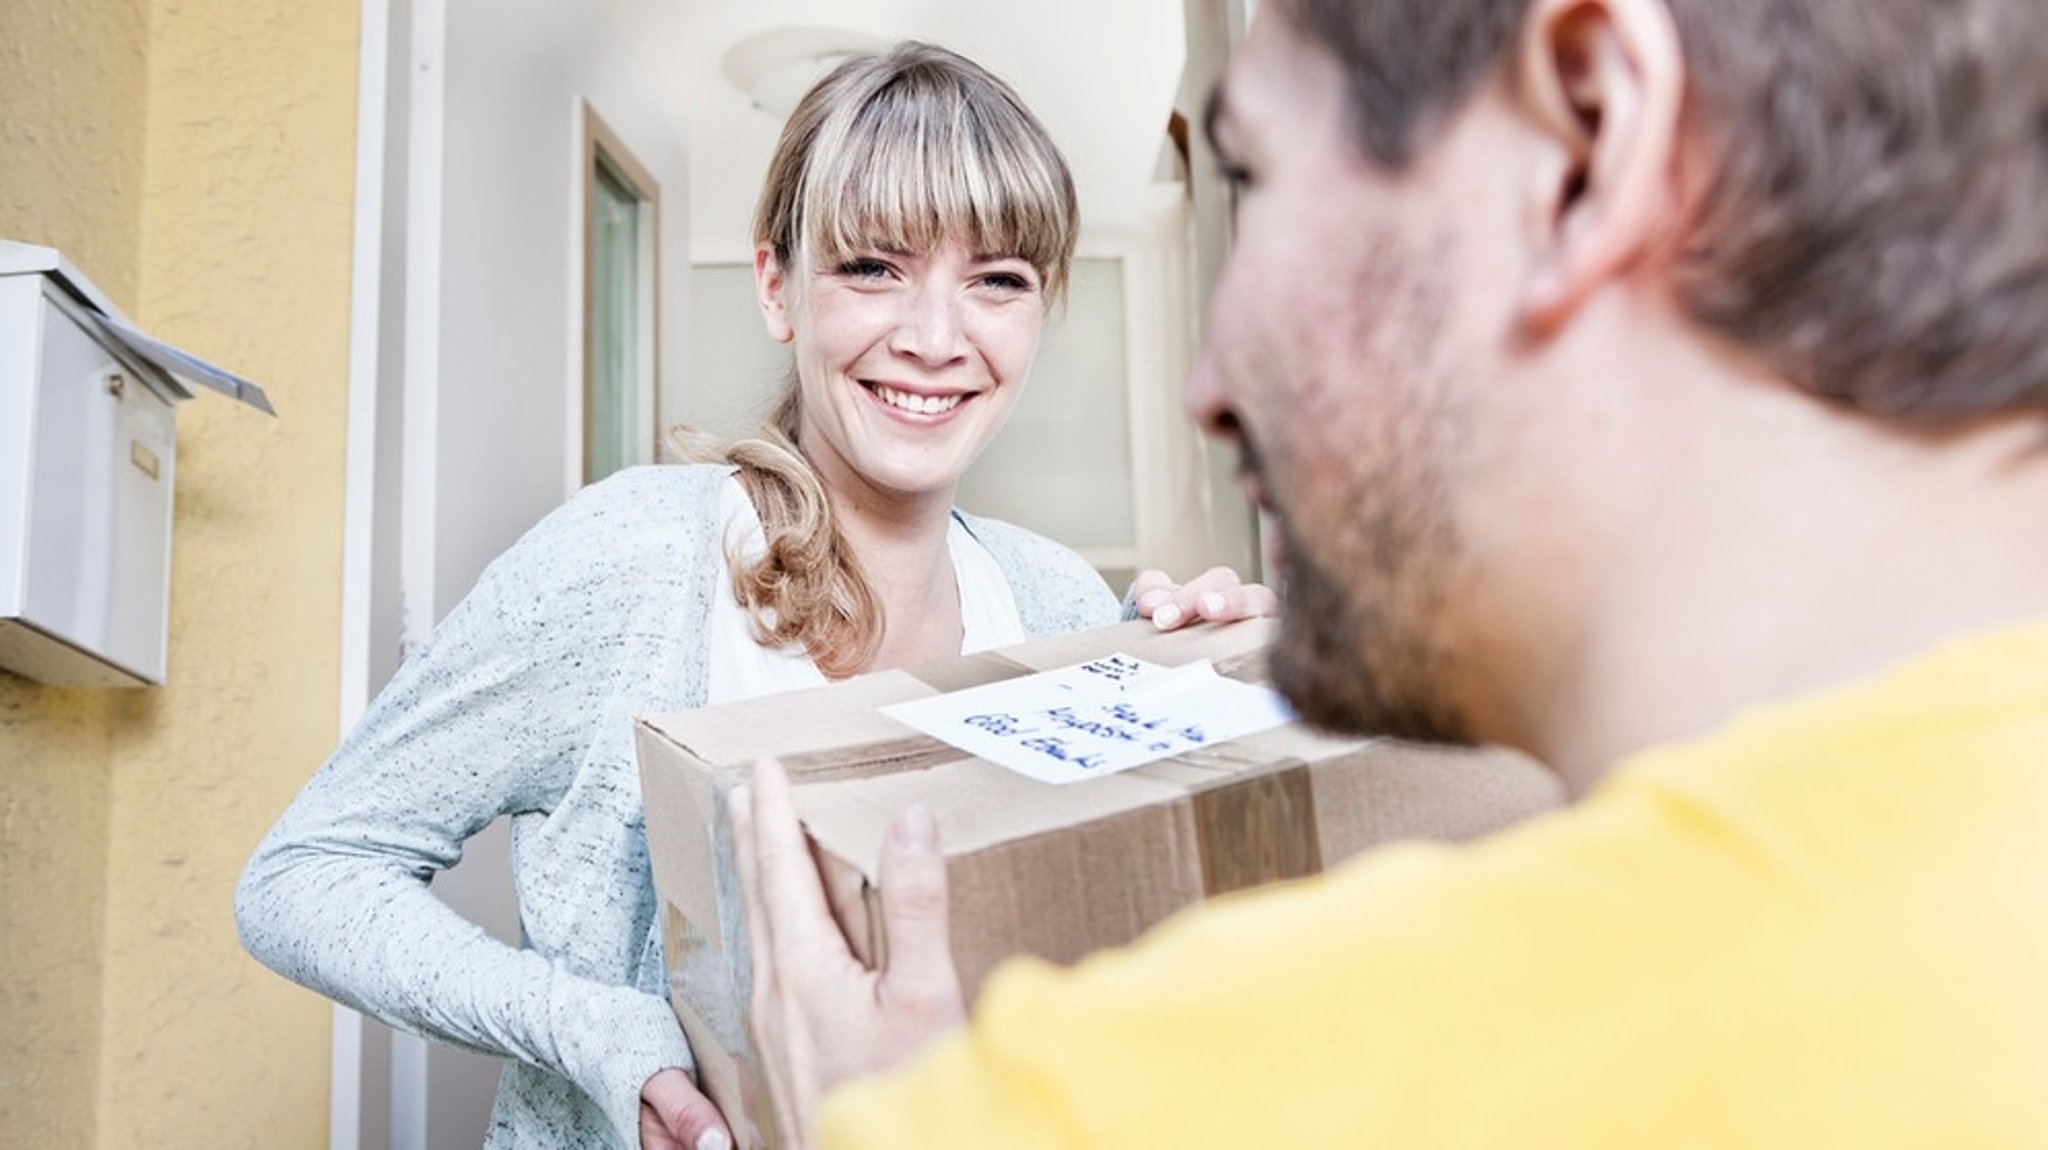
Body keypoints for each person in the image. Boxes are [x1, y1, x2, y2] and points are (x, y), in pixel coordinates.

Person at [733, 0, 2048, 1145]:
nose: (1208, 386)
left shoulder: (1073, 1109)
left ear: (1585, 142)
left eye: (1256, 175)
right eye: (872, 266)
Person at [235, 41, 1270, 1150]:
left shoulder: (1059, 598)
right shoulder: (631, 562)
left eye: (997, 279)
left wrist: (1219, 688)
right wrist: (598, 1030)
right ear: (777, 287)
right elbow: (303, 876)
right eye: (873, 266)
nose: (932, 338)